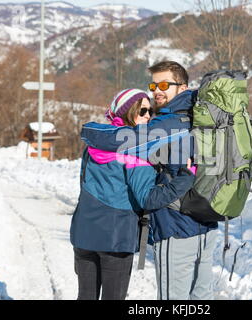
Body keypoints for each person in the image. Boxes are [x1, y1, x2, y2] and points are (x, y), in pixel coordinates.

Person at [80, 61, 219, 300]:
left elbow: (119, 140)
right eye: (153, 85)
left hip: (176, 226)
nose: (157, 90)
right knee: (201, 298)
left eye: (165, 84)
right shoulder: (202, 116)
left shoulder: (168, 124)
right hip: (207, 221)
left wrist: (87, 131)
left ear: (183, 87)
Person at [70, 88, 195, 300]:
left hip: (83, 233)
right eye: (143, 110)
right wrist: (186, 176)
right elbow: (149, 198)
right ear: (127, 113)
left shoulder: (94, 144)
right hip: (115, 238)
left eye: (151, 111)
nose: (149, 116)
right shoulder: (135, 151)